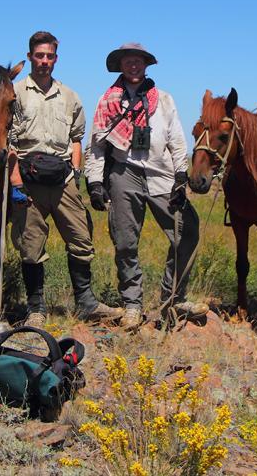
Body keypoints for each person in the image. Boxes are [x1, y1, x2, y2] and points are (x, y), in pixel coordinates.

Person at [84, 43, 208, 331]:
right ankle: (132, 305)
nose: (134, 66)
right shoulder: (107, 101)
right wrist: (94, 181)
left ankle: (173, 298)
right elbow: (97, 146)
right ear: (121, 66)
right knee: (125, 241)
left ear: (146, 65)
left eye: (138, 61)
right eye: (129, 61)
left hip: (162, 174)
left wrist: (180, 175)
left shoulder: (163, 100)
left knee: (187, 230)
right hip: (123, 173)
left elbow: (177, 139)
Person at [9, 31, 124, 328]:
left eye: (49, 56)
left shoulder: (69, 96)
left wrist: (74, 171)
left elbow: (77, 138)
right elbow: (9, 143)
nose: (44, 61)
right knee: (31, 246)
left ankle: (85, 303)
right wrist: (16, 183)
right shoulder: (15, 93)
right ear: (30, 56)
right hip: (29, 183)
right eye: (39, 55)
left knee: (81, 239)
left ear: (56, 59)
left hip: (63, 181)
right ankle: (36, 308)